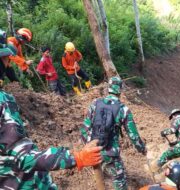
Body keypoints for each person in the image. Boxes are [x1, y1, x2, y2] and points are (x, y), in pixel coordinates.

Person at [0, 41, 103, 189]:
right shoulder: (3, 101)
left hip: (59, 76)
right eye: (5, 58)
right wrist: (77, 157)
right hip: (13, 183)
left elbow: (78, 57)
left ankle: (80, 93)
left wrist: (76, 63)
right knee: (63, 89)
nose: (8, 62)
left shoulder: (71, 53)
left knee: (64, 92)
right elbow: (22, 157)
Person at [80, 76, 147, 190]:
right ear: (120, 90)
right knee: (119, 180)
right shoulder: (123, 109)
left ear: (108, 88)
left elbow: (85, 127)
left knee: (99, 177)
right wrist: (142, 148)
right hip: (111, 152)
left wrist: (87, 146)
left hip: (92, 150)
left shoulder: (95, 103)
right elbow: (133, 135)